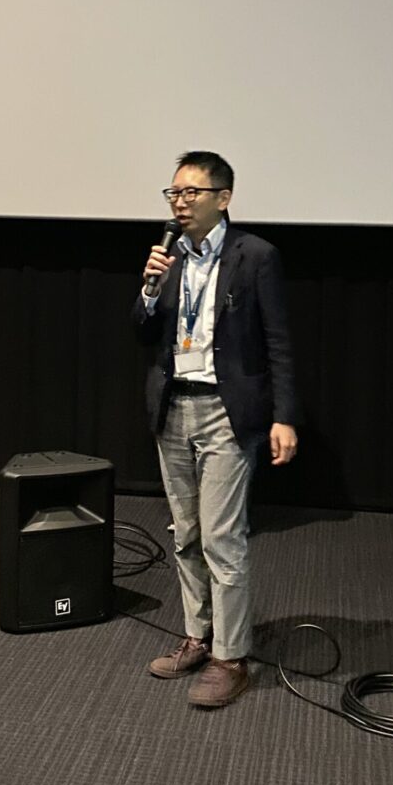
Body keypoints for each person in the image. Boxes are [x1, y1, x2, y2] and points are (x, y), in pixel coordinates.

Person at [132, 151, 301, 706]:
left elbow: (279, 342)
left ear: (223, 198)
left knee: (222, 538)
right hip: (173, 406)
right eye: (173, 193)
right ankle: (197, 636)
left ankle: (231, 657)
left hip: (227, 411)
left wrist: (284, 416)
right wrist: (149, 290)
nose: (179, 203)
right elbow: (143, 333)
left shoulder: (256, 256)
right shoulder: (168, 257)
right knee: (185, 533)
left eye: (191, 193)